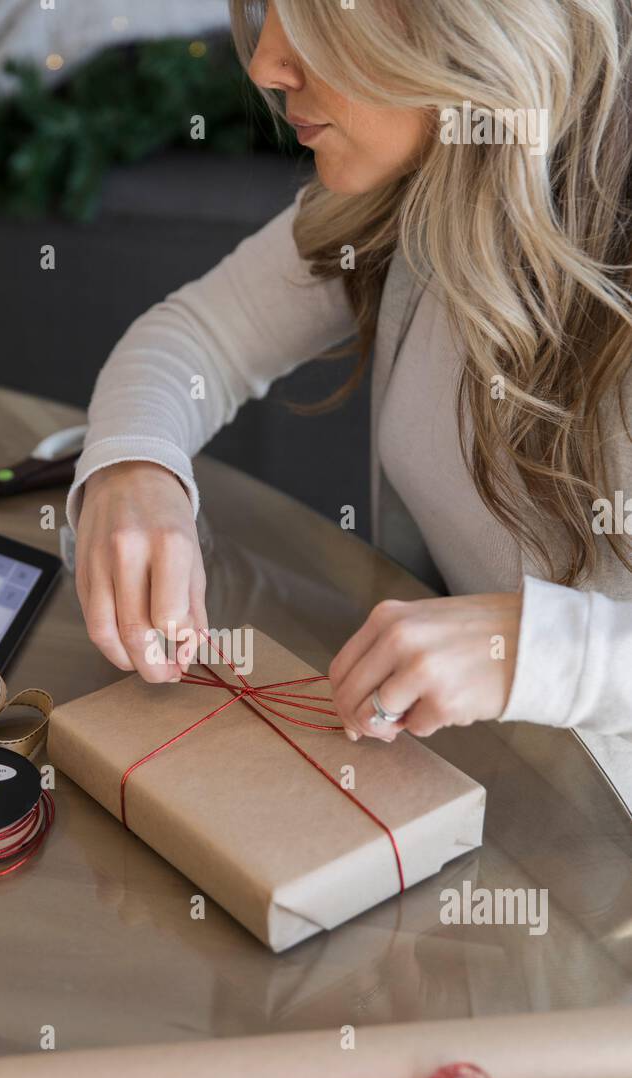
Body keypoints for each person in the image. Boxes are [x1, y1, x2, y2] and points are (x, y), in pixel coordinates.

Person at [67, 0, 632, 811]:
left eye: (315, 18)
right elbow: (198, 337)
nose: (264, 65)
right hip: (478, 781)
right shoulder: (421, 182)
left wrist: (535, 652)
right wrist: (135, 465)